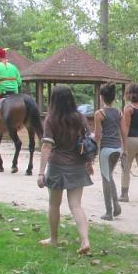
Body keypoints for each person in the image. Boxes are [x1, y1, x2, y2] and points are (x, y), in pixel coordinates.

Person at [37, 85, 94, 255]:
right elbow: (87, 144)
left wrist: (41, 172)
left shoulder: (51, 119)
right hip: (78, 165)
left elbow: (47, 146)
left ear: (54, 100)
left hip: (57, 166)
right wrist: (89, 163)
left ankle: (54, 239)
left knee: (54, 204)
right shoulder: (81, 119)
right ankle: (85, 240)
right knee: (76, 205)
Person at [94, 83, 125, 221]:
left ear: (101, 97)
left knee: (106, 178)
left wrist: (92, 143)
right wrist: (125, 150)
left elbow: (98, 136)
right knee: (110, 175)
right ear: (113, 98)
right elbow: (123, 132)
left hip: (106, 149)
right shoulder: (119, 112)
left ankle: (108, 211)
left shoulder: (99, 114)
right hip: (117, 148)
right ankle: (116, 206)